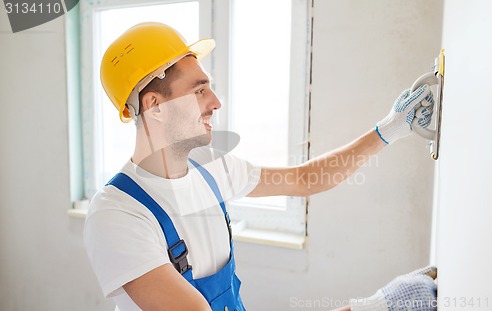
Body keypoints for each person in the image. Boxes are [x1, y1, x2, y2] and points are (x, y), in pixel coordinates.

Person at [83, 22, 437, 311]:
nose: (215, 102)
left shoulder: (210, 167)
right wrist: (372, 308)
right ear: (155, 105)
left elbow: (304, 179)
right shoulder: (117, 214)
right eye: (199, 91)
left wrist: (390, 129)